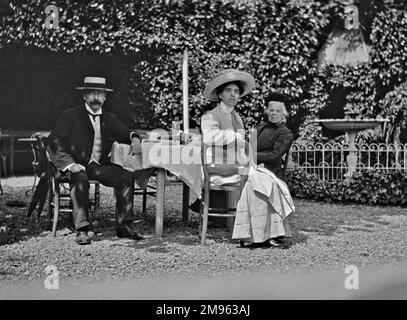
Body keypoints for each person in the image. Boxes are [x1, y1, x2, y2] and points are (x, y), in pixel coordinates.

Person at [48, 76, 147, 245]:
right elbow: (54, 141)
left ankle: (124, 226)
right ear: (84, 96)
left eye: (99, 94)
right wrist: (70, 164)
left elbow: (125, 132)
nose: (95, 98)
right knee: (80, 178)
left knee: (125, 177)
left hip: (97, 166)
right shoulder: (70, 115)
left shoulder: (109, 118)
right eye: (91, 93)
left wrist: (135, 138)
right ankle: (82, 229)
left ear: (105, 97)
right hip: (74, 166)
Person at [189, 69, 255, 225]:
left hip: (235, 165)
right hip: (218, 168)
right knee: (263, 181)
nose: (233, 95)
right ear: (219, 95)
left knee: (268, 180)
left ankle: (261, 227)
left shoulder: (236, 116)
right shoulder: (210, 116)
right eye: (228, 91)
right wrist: (235, 137)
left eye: (237, 91)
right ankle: (253, 228)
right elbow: (210, 137)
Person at [232, 91, 295, 248]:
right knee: (245, 179)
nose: (273, 113)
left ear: (284, 114)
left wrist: (253, 155)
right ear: (267, 111)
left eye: (277, 111)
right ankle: (248, 233)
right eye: (271, 110)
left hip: (271, 170)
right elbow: (249, 147)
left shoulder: (286, 133)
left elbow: (275, 155)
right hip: (253, 167)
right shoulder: (259, 128)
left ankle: (271, 233)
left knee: (257, 184)